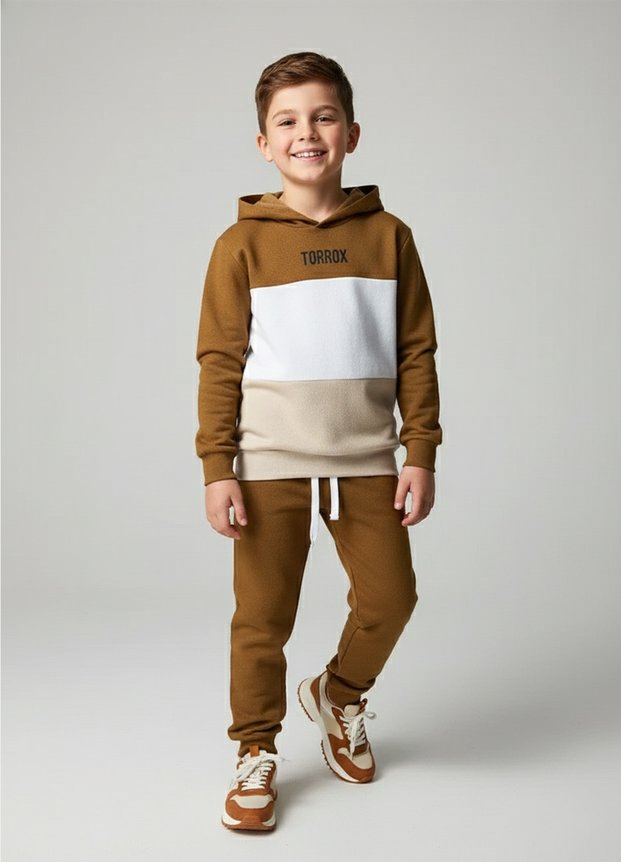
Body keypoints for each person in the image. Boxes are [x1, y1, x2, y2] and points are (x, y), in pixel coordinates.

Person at [195, 50, 443, 832]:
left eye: (324, 117)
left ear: (352, 133)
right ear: (264, 143)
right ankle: (255, 747)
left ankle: (339, 694)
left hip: (367, 458)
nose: (307, 133)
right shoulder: (240, 246)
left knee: (391, 599)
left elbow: (416, 351)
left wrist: (420, 450)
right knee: (262, 618)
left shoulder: (391, 237)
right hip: (268, 463)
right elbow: (219, 359)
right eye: (288, 122)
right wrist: (217, 466)